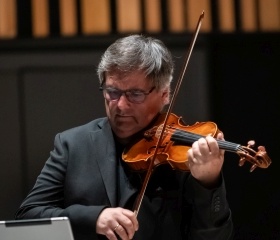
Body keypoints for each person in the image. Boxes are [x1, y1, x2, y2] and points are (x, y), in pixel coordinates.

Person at [15, 34, 233, 240]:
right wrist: (94, 218)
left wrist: (208, 182)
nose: (120, 105)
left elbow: (215, 237)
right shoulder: (73, 145)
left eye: (135, 94)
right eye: (113, 92)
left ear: (165, 94)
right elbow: (28, 217)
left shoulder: (185, 156)